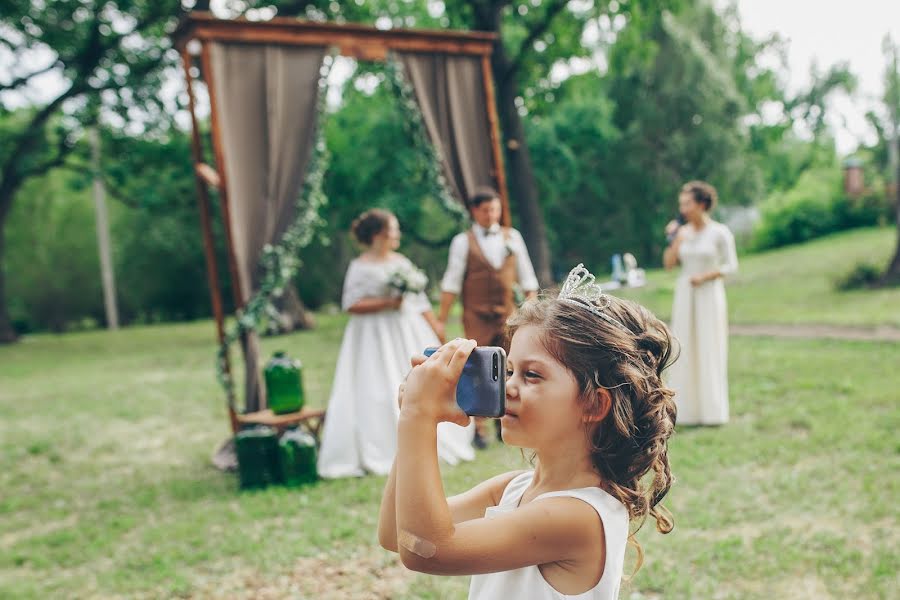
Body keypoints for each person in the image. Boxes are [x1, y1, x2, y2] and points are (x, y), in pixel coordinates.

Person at [379, 264, 677, 599]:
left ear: (594, 404)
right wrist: (417, 418)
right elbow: (396, 533)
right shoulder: (512, 488)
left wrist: (418, 417)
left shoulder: (579, 516)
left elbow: (426, 550)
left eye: (531, 375)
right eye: (508, 371)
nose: (509, 387)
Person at [317, 209, 474, 478]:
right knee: (375, 386)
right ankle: (382, 444)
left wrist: (435, 326)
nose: (397, 234)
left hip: (407, 329)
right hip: (372, 335)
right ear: (379, 234)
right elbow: (351, 304)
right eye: (393, 229)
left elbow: (420, 299)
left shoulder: (401, 262)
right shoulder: (360, 266)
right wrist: (388, 303)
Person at [438, 186, 539, 448]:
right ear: (474, 211)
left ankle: (505, 420)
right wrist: (442, 318)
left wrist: (532, 307)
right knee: (479, 368)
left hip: (508, 314)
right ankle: (479, 428)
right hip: (476, 315)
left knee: (508, 366)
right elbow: (452, 281)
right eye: (485, 210)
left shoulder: (512, 237)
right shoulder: (463, 242)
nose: (491, 215)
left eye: (495, 209)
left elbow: (527, 275)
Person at [663, 181, 738, 425]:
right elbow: (669, 264)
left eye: (687, 203)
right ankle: (686, 410)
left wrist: (706, 276)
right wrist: (673, 238)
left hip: (708, 293)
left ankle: (712, 411)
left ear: (702, 204)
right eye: (681, 204)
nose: (683, 209)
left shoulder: (719, 232)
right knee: (685, 346)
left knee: (709, 345)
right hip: (685, 294)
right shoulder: (683, 232)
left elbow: (730, 265)